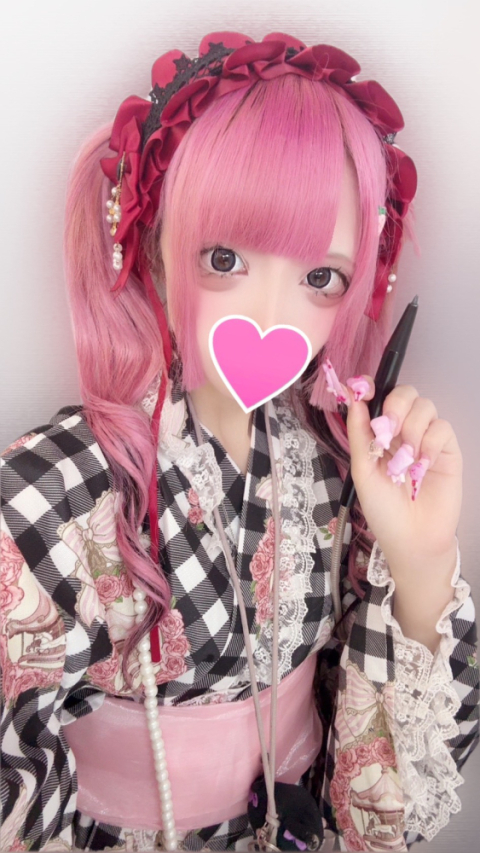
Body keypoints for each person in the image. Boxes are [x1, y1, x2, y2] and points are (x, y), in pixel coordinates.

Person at [0, 30, 478, 853]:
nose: (272, 315)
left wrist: (423, 560)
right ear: (152, 245)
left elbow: (384, 794)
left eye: (320, 278)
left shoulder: (335, 463)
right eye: (224, 257)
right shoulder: (52, 497)